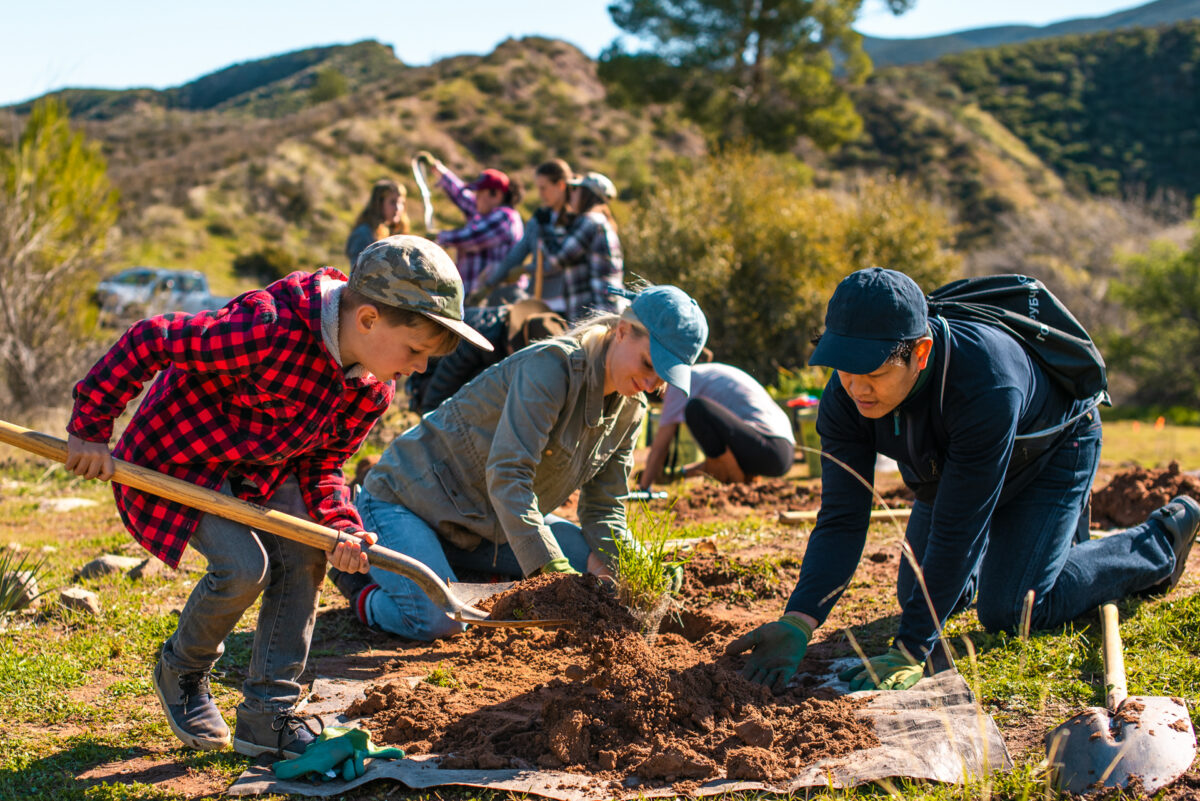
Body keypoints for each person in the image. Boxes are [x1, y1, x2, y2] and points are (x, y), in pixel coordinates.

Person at [64, 236, 492, 757]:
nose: (420, 368)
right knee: (245, 567)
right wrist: (90, 428)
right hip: (177, 460)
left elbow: (323, 464)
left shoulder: (373, 387)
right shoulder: (267, 329)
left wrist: (340, 525)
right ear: (368, 319)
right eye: (416, 351)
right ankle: (182, 669)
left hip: (256, 473)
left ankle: (268, 714)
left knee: (307, 553)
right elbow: (150, 339)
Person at [727, 267, 1200, 692]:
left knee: (1013, 609)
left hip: (1052, 452)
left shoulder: (985, 380)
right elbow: (842, 517)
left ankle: (1158, 540)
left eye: (874, 372)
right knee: (917, 595)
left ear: (921, 352)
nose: (856, 388)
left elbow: (959, 526)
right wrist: (800, 618)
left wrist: (912, 647)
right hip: (952, 467)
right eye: (844, 370)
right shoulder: (846, 396)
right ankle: (1030, 548)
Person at [332, 284, 709, 641]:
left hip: (485, 527)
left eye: (663, 377)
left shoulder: (631, 410)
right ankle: (362, 590)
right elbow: (509, 476)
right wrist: (551, 571)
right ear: (623, 331)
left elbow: (604, 508)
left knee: (594, 573)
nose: (651, 383)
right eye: (648, 364)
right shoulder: (553, 367)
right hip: (406, 504)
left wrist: (636, 566)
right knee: (444, 620)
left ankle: (454, 573)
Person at [639, 362, 795, 488]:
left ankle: (736, 481)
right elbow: (717, 460)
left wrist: (644, 485)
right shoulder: (702, 374)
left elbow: (660, 446)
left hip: (768, 446)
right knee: (717, 450)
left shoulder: (678, 383)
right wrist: (679, 475)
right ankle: (742, 479)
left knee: (695, 409)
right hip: (781, 451)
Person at [406, 298, 569, 414]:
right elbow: (444, 380)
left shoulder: (505, 330)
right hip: (426, 382)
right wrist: (429, 425)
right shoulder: (481, 338)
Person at [417, 151, 524, 298]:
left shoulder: (506, 217)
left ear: (497, 195)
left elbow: (473, 237)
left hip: (497, 297)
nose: (476, 197)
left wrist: (440, 236)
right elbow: (461, 195)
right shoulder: (485, 212)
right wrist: (437, 169)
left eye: (480, 193)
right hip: (475, 296)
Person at [471, 158, 574, 311]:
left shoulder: (578, 221)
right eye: (538, 188)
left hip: (570, 303)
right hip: (541, 302)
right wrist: (489, 286)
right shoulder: (539, 220)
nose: (541, 194)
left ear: (561, 185)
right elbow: (516, 255)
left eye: (544, 188)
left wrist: (526, 269)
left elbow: (558, 262)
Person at [539, 171, 624, 322]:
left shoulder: (590, 222)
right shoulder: (602, 222)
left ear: (586, 194)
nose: (571, 194)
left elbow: (557, 258)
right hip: (606, 307)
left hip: (594, 313)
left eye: (576, 190)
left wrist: (545, 231)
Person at [345, 179, 411, 268]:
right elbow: (359, 271)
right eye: (392, 202)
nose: (397, 208)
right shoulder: (364, 233)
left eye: (401, 202)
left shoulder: (392, 230)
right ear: (379, 204)